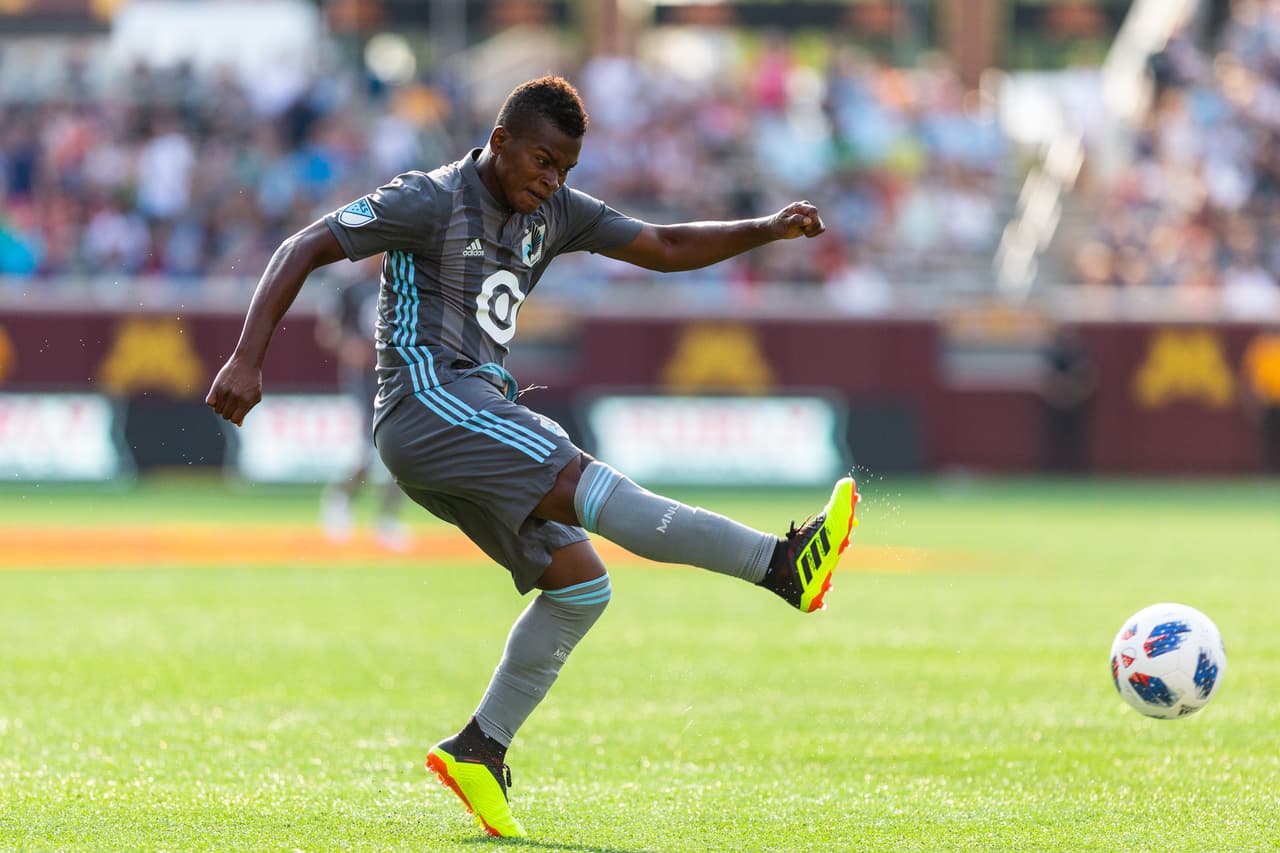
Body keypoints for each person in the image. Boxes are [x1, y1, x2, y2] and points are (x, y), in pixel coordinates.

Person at [206, 75, 860, 839]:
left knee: (580, 587)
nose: (551, 182)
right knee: (581, 477)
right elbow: (304, 243)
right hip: (428, 399)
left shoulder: (552, 209)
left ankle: (480, 748)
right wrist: (246, 358)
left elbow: (664, 244)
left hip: (464, 410)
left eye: (566, 170)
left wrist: (767, 228)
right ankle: (779, 564)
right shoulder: (430, 197)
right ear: (501, 139)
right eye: (542, 162)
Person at [315, 276, 412, 550]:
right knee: (368, 450)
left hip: (399, 376)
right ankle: (340, 497)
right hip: (366, 378)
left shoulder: (404, 280)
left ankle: (387, 520)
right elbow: (328, 330)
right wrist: (347, 345)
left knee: (401, 448)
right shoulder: (351, 287)